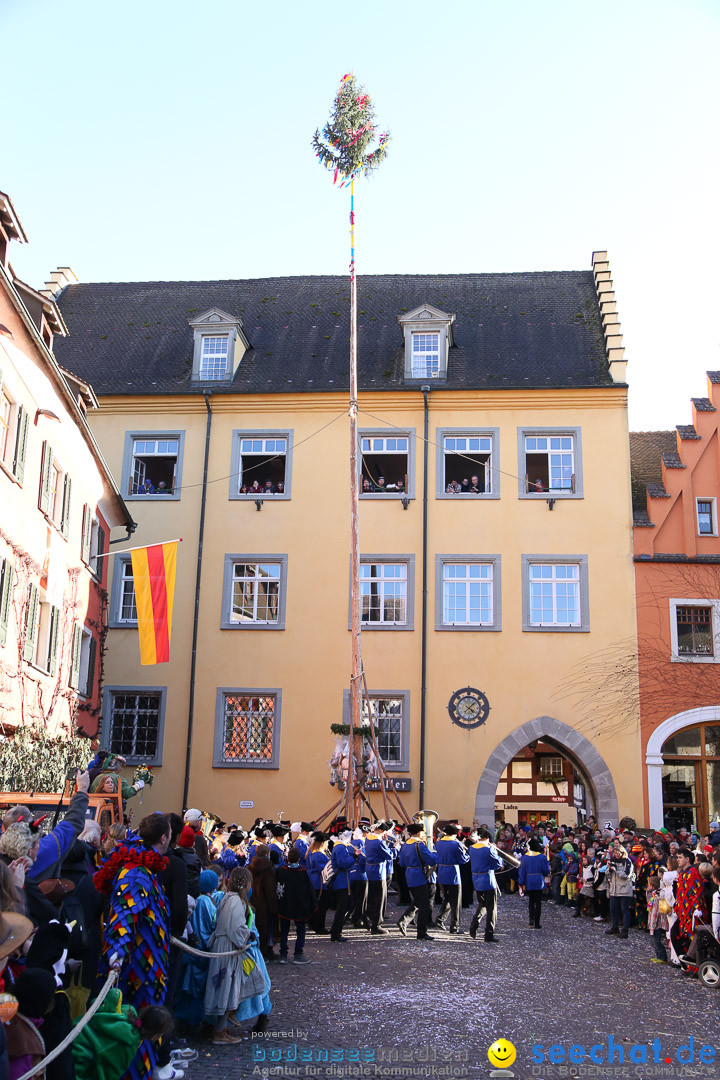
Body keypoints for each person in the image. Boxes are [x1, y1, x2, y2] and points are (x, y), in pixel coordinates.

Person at [93, 813, 171, 1080]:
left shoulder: (146, 868)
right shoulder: (137, 873)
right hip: (138, 972)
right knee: (138, 1031)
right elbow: (123, 917)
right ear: (163, 838)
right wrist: (117, 956)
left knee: (148, 1032)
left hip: (148, 969)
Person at [204, 868, 271, 1042]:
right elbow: (236, 928)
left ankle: (225, 1023)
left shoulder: (227, 899)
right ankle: (220, 1031)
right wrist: (248, 936)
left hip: (225, 948)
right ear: (247, 885)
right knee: (228, 988)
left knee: (230, 988)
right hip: (230, 950)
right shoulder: (236, 902)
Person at [176, 870, 218, 1030]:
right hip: (202, 951)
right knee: (197, 990)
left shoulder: (195, 900)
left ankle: (184, 1019)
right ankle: (194, 1020)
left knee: (188, 988)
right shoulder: (206, 903)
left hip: (193, 950)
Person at [397, 824, 438, 941]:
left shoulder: (406, 844)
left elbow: (402, 862)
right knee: (424, 905)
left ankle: (403, 921)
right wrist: (435, 852)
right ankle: (421, 932)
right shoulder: (419, 845)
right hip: (418, 875)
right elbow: (431, 859)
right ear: (419, 833)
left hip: (409, 874)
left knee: (418, 901)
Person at [275, 849, 316, 964]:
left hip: (285, 904)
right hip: (299, 905)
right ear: (299, 859)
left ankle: (283, 954)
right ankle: (298, 954)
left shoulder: (281, 870)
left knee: (284, 930)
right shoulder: (302, 872)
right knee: (300, 929)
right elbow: (309, 890)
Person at [468, 827, 504, 943]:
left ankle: (474, 924)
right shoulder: (489, 849)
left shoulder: (471, 848)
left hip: (476, 880)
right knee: (491, 908)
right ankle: (489, 933)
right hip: (488, 881)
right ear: (487, 838)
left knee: (482, 904)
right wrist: (495, 852)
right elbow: (497, 864)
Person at [435, 824, 470, 933]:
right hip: (453, 874)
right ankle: (454, 926)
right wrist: (465, 851)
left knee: (448, 898)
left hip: (441, 872)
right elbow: (463, 860)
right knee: (456, 902)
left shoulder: (439, 843)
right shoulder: (455, 844)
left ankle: (441, 918)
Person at [364, 822, 396, 935]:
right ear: (382, 831)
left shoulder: (368, 839)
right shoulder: (379, 842)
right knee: (379, 899)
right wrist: (394, 848)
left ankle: (369, 917)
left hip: (370, 870)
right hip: (378, 871)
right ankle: (376, 924)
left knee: (372, 897)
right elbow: (389, 856)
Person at [604, 841, 635, 939]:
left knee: (624, 910)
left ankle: (625, 930)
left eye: (618, 853)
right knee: (613, 909)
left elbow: (626, 875)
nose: (616, 855)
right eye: (615, 853)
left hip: (624, 890)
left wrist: (616, 870)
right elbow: (607, 874)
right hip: (614, 889)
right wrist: (609, 869)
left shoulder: (627, 861)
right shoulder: (613, 861)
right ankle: (615, 926)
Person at [518, 838, 551, 929]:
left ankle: (531, 920)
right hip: (538, 880)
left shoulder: (524, 857)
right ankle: (537, 922)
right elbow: (545, 871)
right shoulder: (542, 857)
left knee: (531, 901)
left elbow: (522, 871)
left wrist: (521, 883)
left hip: (529, 880)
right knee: (538, 902)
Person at [646, 874, 670, 963]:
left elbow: (655, 910)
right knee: (654, 941)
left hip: (656, 922)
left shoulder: (657, 896)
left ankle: (662, 957)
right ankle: (658, 956)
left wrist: (652, 923)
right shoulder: (652, 894)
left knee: (657, 941)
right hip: (653, 920)